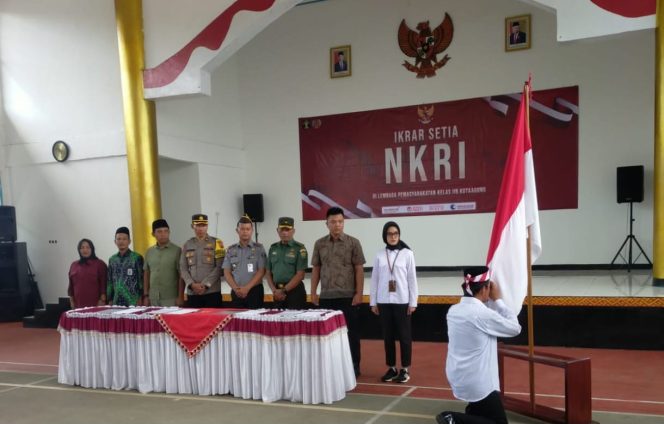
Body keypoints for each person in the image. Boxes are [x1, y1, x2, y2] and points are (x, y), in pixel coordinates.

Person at [436, 266, 522, 424]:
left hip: (459, 375)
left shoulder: (453, 311)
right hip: (479, 382)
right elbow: (515, 328)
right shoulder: (482, 314)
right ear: (485, 288)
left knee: (479, 414)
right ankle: (452, 418)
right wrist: (499, 301)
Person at [311, 206, 365, 377]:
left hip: (348, 297)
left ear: (344, 223)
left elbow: (359, 269)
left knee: (351, 334)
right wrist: (313, 292)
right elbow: (316, 269)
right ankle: (329, 365)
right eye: (333, 222)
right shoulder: (319, 243)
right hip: (326, 297)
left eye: (340, 222)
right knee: (326, 335)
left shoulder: (353, 243)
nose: (337, 225)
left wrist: (359, 293)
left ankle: (354, 365)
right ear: (326, 223)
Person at [370, 221, 418, 384]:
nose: (393, 237)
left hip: (402, 300)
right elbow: (374, 279)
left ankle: (404, 369)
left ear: (399, 235)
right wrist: (373, 302)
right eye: (390, 234)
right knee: (388, 336)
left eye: (396, 234)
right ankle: (391, 367)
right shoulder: (379, 255)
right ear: (385, 236)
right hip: (384, 300)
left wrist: (413, 302)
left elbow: (412, 279)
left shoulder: (407, 254)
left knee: (404, 336)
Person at [180, 214, 225, 308]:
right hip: (193, 293)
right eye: (198, 225)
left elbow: (220, 267)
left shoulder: (217, 243)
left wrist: (205, 284)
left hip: (212, 292)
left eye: (203, 225)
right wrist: (192, 285)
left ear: (207, 226)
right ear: (192, 226)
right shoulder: (187, 244)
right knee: (194, 322)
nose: (201, 228)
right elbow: (183, 268)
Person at [223, 216, 267, 309]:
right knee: (238, 321)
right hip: (236, 291)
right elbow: (227, 272)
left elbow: (261, 271)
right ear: (237, 230)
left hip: (254, 291)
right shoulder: (231, 249)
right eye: (242, 229)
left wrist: (247, 288)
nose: (245, 231)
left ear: (252, 230)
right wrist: (235, 289)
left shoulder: (259, 248)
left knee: (254, 321)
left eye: (248, 229)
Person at [265, 217, 308, 309]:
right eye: (282, 229)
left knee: (295, 322)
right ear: (277, 230)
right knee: (277, 321)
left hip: (294, 292)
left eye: (287, 229)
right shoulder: (273, 248)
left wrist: (283, 290)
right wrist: (274, 291)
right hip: (277, 291)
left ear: (293, 231)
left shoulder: (300, 249)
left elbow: (300, 275)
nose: (285, 232)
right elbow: (268, 272)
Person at [143, 219, 182, 307]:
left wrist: (180, 297)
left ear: (169, 232)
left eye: (166, 231)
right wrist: (146, 296)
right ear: (153, 234)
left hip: (171, 298)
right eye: (159, 232)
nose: (163, 234)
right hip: (152, 298)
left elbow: (181, 275)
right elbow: (146, 274)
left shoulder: (177, 251)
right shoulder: (149, 252)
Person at [107, 227, 144, 306]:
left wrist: (141, 298)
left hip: (133, 301)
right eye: (119, 239)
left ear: (129, 241)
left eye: (124, 239)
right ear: (115, 241)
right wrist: (109, 299)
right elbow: (110, 281)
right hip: (116, 301)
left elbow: (141, 280)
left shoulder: (137, 258)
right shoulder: (112, 259)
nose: (121, 241)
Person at [67, 238, 107, 309]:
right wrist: (72, 301)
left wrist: (102, 300)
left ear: (92, 249)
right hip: (78, 305)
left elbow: (104, 284)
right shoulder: (74, 265)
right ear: (79, 250)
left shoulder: (100, 264)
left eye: (88, 247)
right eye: (82, 248)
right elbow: (71, 286)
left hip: (96, 305)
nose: (85, 250)